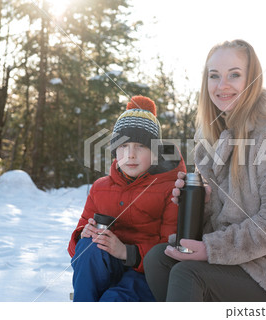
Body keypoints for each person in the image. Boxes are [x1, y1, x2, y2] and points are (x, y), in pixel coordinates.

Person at [143, 40, 266, 302]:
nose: (222, 85)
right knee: (158, 259)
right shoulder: (209, 136)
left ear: (252, 79)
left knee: (187, 275)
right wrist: (198, 204)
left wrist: (211, 249)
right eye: (214, 76)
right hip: (233, 261)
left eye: (234, 75)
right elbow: (221, 219)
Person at [68, 95, 186, 302]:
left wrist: (126, 252)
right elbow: (75, 250)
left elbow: (170, 249)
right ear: (115, 152)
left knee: (113, 301)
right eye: (123, 146)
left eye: (140, 146)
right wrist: (83, 234)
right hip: (107, 268)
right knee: (88, 246)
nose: (130, 155)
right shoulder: (100, 188)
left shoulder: (171, 189)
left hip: (146, 276)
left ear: (155, 152)